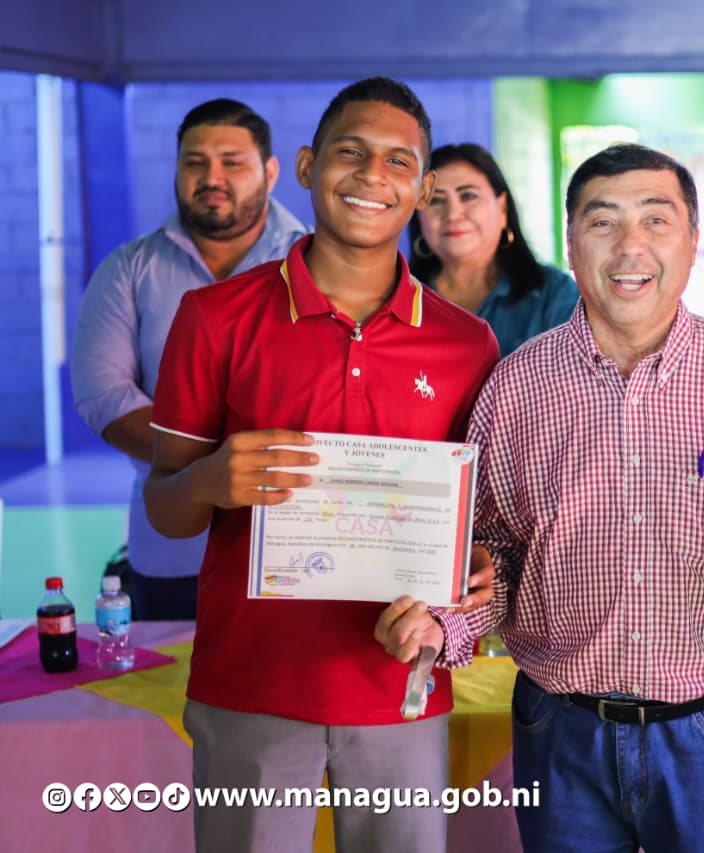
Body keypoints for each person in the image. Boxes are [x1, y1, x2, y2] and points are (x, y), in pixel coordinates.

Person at [377, 143, 704, 853]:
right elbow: (494, 556)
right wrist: (442, 623)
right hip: (559, 732)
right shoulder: (516, 386)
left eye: (656, 220)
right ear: (571, 244)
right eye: (603, 222)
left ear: (693, 239)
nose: (630, 246)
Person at [143, 77, 499, 852]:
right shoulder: (214, 318)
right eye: (351, 152)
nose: (373, 175)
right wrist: (209, 479)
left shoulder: (468, 343)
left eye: (399, 160)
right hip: (252, 685)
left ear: (422, 190)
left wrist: (475, 569)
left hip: (401, 684)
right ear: (306, 166)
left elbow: (478, 529)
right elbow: (165, 507)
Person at [70, 99, 309, 620]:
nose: (212, 177)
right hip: (172, 550)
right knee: (170, 674)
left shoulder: (317, 264)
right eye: (195, 162)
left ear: (270, 172)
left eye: (232, 162)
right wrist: (213, 472)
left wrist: (226, 467)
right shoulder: (129, 269)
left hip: (301, 545)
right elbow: (105, 397)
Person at [408, 143, 578, 356]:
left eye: (468, 196)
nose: (452, 214)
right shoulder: (399, 298)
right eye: (435, 200)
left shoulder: (555, 294)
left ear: (501, 208)